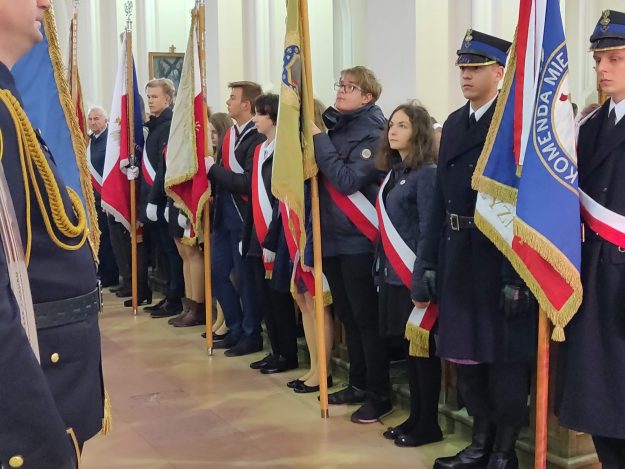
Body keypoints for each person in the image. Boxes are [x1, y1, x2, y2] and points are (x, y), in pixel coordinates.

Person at [424, 30, 536, 469]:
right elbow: (440, 197)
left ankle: (503, 451)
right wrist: (428, 262)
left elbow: (524, 205)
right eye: (463, 68)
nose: (466, 76)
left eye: (475, 68)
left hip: (498, 258)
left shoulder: (513, 125)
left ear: (499, 72)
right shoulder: (455, 123)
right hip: (457, 254)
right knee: (467, 361)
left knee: (505, 364)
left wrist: (515, 277)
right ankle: (479, 441)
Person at [0, 0, 104, 466]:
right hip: (29, 395)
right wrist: (35, 441)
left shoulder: (10, 104)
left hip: (52, 374)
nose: (45, 3)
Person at [556, 10, 625, 468]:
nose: (602, 68)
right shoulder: (591, 124)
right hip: (592, 272)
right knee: (599, 398)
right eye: (598, 59)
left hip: (620, 272)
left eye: (615, 58)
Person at [312, 66, 390, 424]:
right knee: (349, 318)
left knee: (366, 320)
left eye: (350, 87)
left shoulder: (373, 132)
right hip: (333, 236)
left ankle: (379, 394)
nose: (341, 91)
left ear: (367, 96)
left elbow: (346, 181)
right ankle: (358, 383)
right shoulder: (339, 127)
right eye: (340, 84)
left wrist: (319, 139)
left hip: (359, 238)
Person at [374, 101, 442, 448]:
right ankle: (415, 417)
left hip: (413, 274)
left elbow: (430, 229)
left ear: (418, 132)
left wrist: (421, 280)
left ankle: (428, 423)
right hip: (392, 275)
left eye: (402, 125)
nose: (393, 131)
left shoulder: (427, 173)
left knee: (422, 353)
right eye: (391, 125)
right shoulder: (395, 174)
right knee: (408, 352)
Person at [206, 81, 265, 356]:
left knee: (245, 280)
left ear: (246, 105)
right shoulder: (230, 133)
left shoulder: (257, 136)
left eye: (233, 98)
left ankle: (251, 335)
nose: (228, 102)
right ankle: (235, 326)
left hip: (244, 219)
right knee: (217, 273)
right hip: (223, 218)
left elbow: (246, 183)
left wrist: (213, 170)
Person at [243, 93, 298, 373]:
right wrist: (248, 236)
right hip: (257, 234)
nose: (255, 118)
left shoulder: (285, 150)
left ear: (274, 117)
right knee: (264, 298)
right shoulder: (259, 150)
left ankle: (287, 354)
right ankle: (275, 350)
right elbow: (254, 197)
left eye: (260, 114)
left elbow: (281, 198)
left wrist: (271, 238)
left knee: (279, 298)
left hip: (277, 235)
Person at [287, 98, 334, 394]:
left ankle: (324, 371)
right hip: (298, 236)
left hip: (316, 236)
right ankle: (314, 366)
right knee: (304, 303)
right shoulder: (293, 153)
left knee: (318, 305)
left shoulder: (319, 150)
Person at [137, 78, 185, 318]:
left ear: (168, 98)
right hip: (150, 197)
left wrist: (156, 200)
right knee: (162, 252)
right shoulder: (153, 125)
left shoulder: (168, 125)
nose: (150, 101)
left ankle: (175, 298)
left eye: (154, 96)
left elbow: (162, 167)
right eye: (148, 97)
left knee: (171, 252)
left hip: (162, 199)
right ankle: (168, 294)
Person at [86, 106, 119, 288]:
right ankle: (102, 271)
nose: (93, 122)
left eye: (97, 118)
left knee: (108, 239)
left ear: (106, 120)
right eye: (90, 119)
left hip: (107, 196)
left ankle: (111, 275)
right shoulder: (90, 140)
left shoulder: (110, 140)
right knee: (99, 236)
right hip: (94, 198)